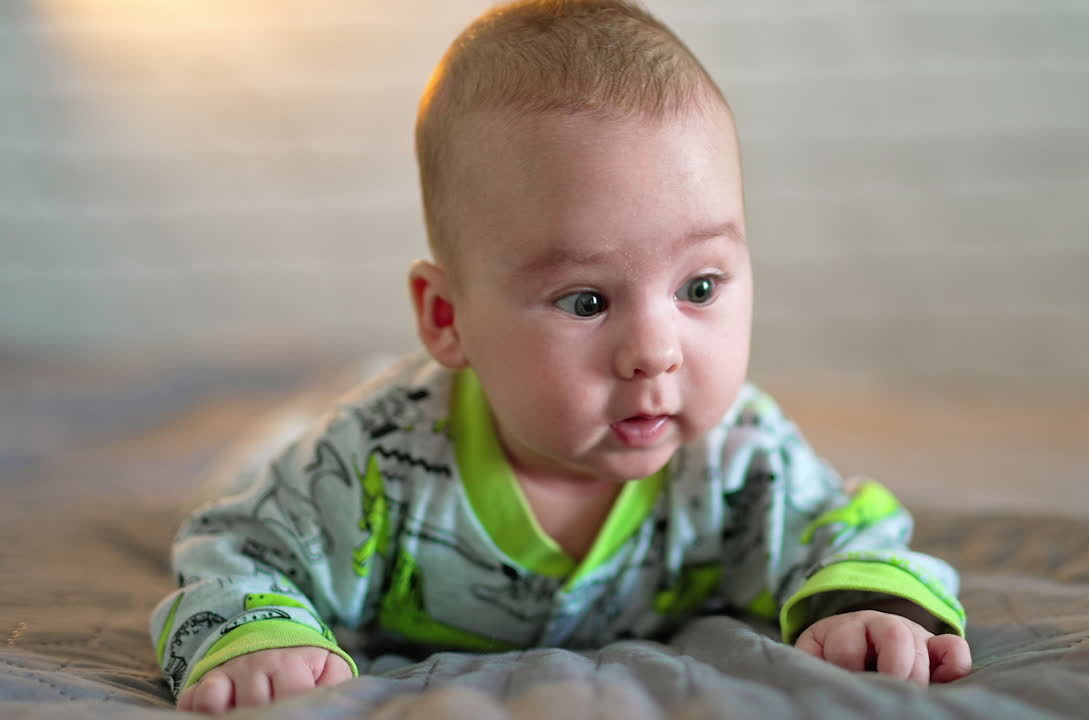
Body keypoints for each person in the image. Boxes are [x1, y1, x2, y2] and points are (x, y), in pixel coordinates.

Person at [150, 0, 972, 713]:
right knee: (258, 461)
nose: (655, 352)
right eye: (586, 301)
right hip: (350, 426)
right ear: (448, 319)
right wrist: (256, 637)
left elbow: (846, 536)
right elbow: (239, 552)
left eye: (700, 287)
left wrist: (870, 606)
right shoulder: (372, 466)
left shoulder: (740, 458)